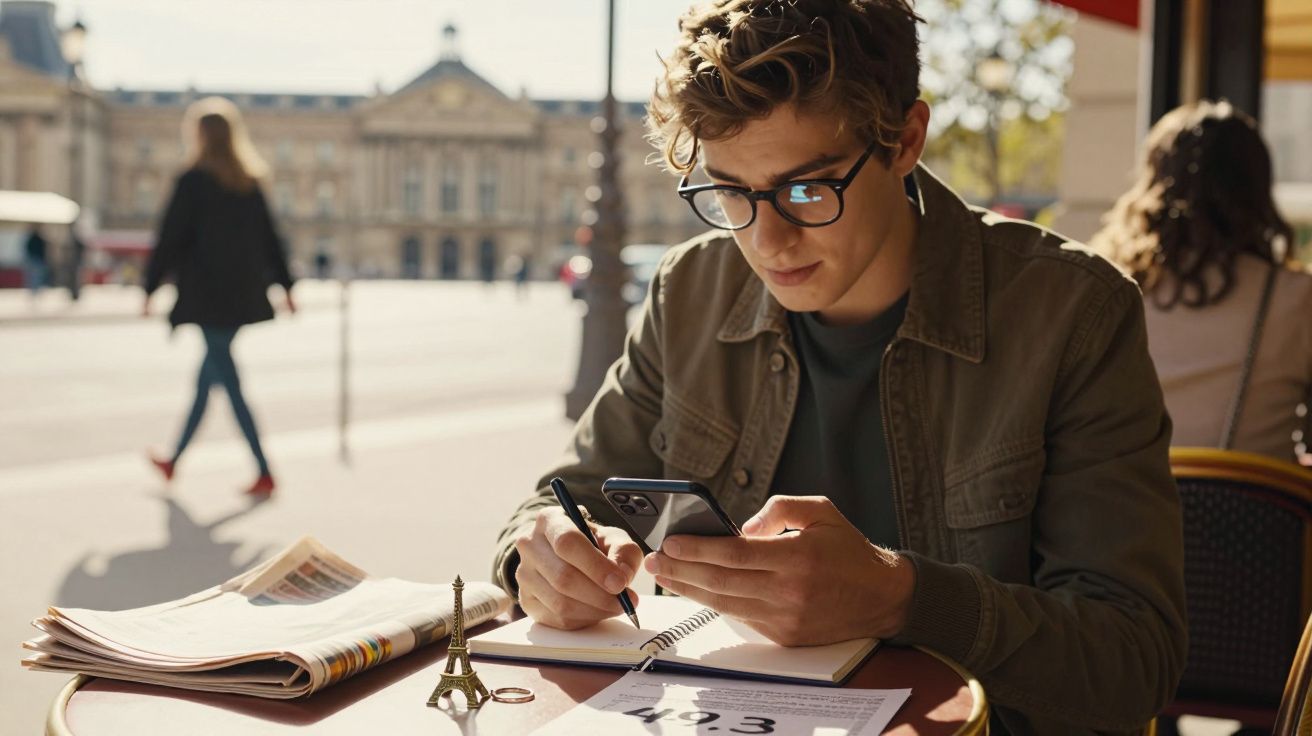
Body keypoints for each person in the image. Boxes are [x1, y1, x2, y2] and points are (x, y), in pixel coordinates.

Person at [491, 2, 1187, 733]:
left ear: (905, 140)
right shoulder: (690, 289)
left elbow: (1135, 659)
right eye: (730, 192)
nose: (767, 241)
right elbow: (559, 504)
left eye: (806, 190)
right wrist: (542, 558)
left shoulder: (1074, 312)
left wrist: (902, 598)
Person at [1092, 100, 1312, 463]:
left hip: (1130, 497)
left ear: (1153, 185)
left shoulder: (1109, 289)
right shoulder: (1296, 298)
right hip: (1255, 498)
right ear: (1258, 191)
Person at [142, 96, 295, 497]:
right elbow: (271, 239)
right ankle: (173, 461)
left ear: (198, 135)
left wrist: (150, 286)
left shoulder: (192, 180)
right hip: (242, 295)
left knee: (228, 382)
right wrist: (287, 286)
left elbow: (170, 238)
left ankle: (264, 470)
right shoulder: (249, 181)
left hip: (207, 296)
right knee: (208, 378)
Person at [23, 224, 48, 299]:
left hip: (36, 260)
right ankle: (35, 290)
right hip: (36, 260)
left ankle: (35, 290)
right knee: (35, 276)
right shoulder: (36, 239)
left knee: (35, 276)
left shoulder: (35, 239)